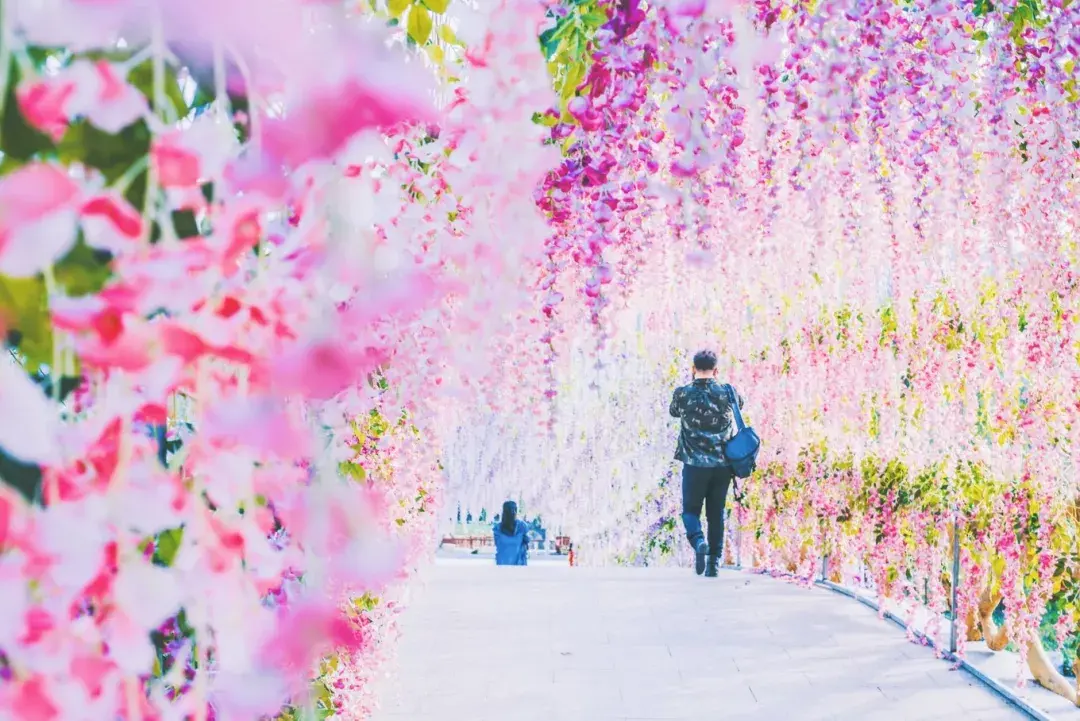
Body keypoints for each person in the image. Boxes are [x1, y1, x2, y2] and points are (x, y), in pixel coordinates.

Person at [669, 349, 745, 578]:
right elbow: (740, 405)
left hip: (694, 465)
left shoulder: (683, 393)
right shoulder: (727, 392)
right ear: (716, 370)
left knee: (690, 512)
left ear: (693, 369)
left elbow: (673, 412)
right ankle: (713, 564)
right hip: (722, 467)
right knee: (716, 513)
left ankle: (698, 541)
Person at [493, 501, 529, 566]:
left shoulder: (522, 526)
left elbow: (526, 547)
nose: (513, 512)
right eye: (510, 510)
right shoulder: (497, 529)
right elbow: (498, 546)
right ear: (505, 512)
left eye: (514, 509)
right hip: (502, 566)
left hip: (518, 566)